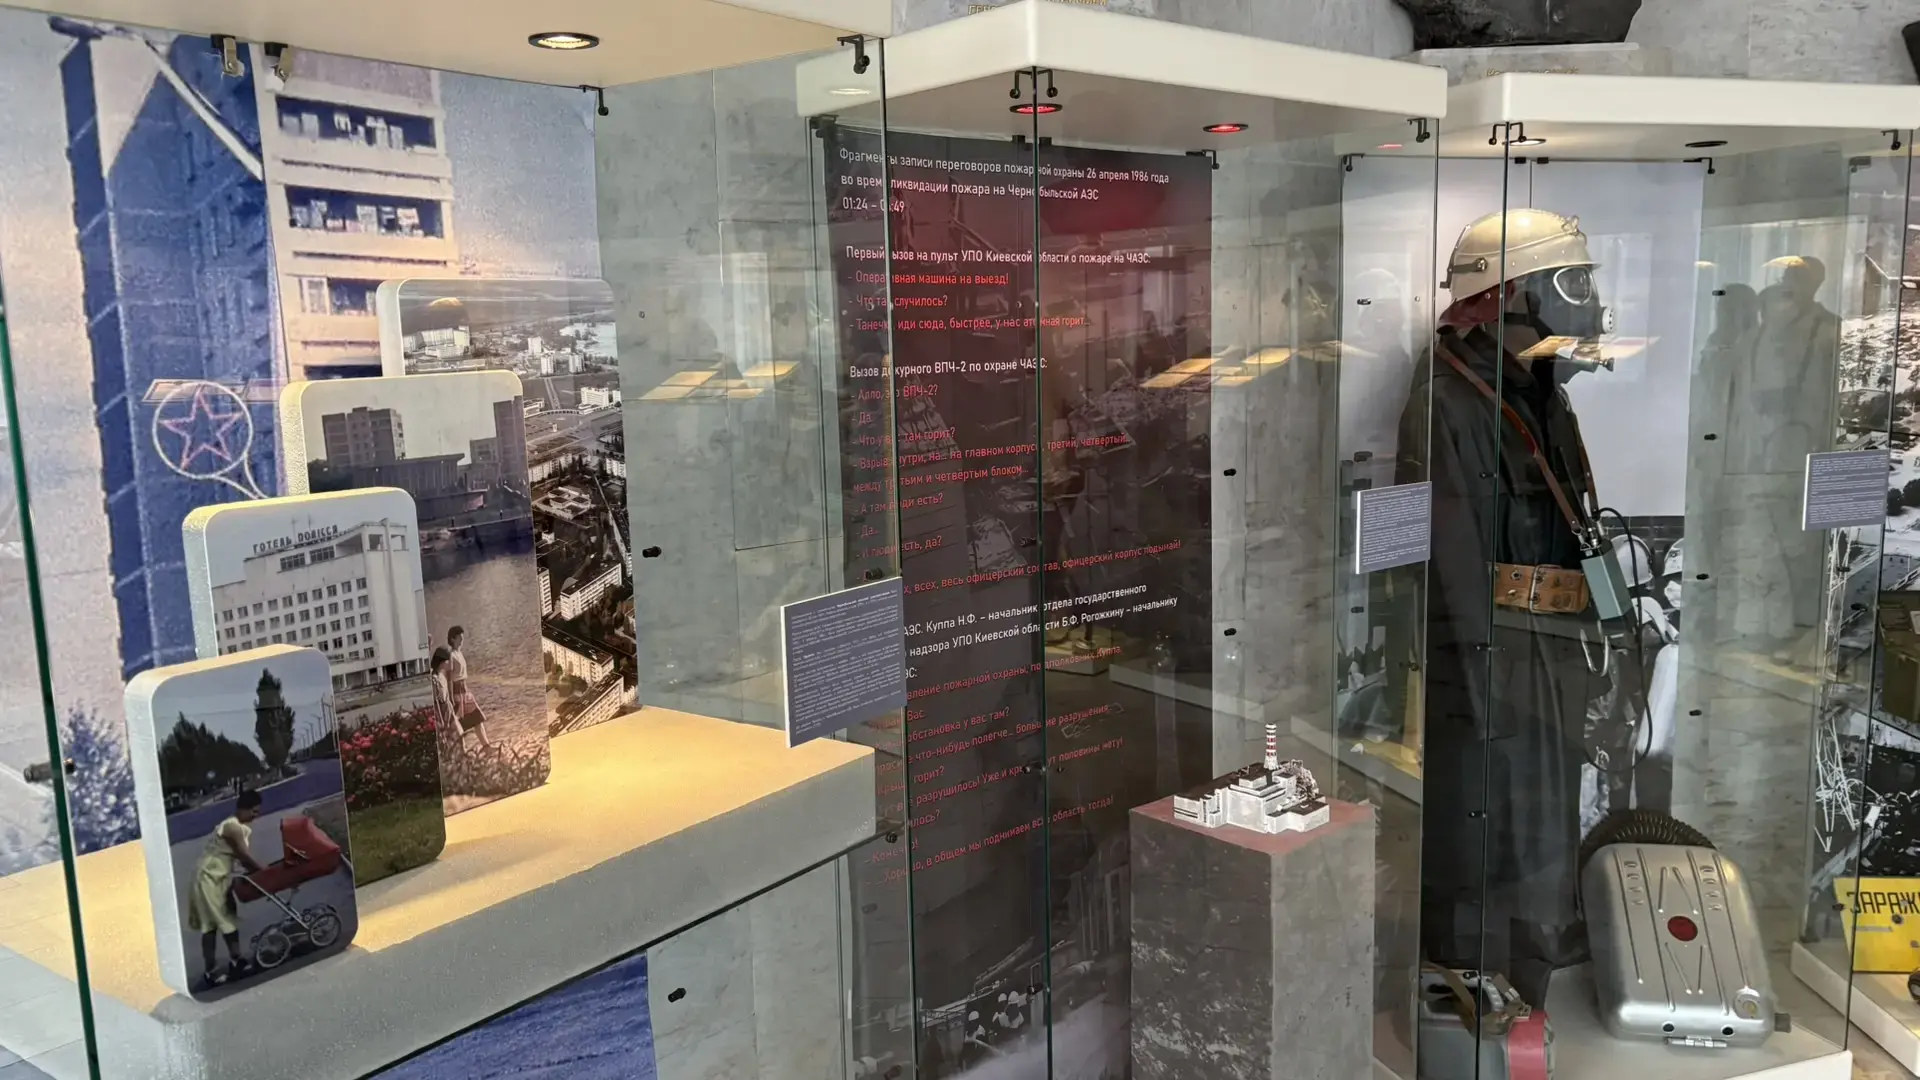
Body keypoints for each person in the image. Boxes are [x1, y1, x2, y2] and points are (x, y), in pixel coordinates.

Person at [190, 788, 266, 989]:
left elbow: (239, 858)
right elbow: (244, 856)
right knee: (215, 924)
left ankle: (235, 960)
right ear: (243, 809)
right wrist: (264, 872)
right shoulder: (232, 827)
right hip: (208, 877)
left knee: (226, 918)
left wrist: (257, 872)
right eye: (254, 811)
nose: (256, 816)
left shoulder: (239, 827)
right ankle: (213, 970)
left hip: (220, 877)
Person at [445, 626, 495, 749]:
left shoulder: (459, 653)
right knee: (458, 725)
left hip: (465, 692)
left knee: (477, 718)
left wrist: (467, 691)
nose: (462, 640)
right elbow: (449, 679)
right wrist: (451, 699)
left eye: (462, 638)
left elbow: (462, 676)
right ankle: (461, 751)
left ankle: (486, 747)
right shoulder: (451, 655)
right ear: (452, 639)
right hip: (456, 693)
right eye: (459, 638)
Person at [429, 647, 455, 729]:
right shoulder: (434, 679)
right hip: (441, 712)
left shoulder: (442, 676)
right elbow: (436, 701)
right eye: (445, 661)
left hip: (448, 710)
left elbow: (446, 696)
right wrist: (442, 720)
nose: (447, 663)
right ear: (440, 662)